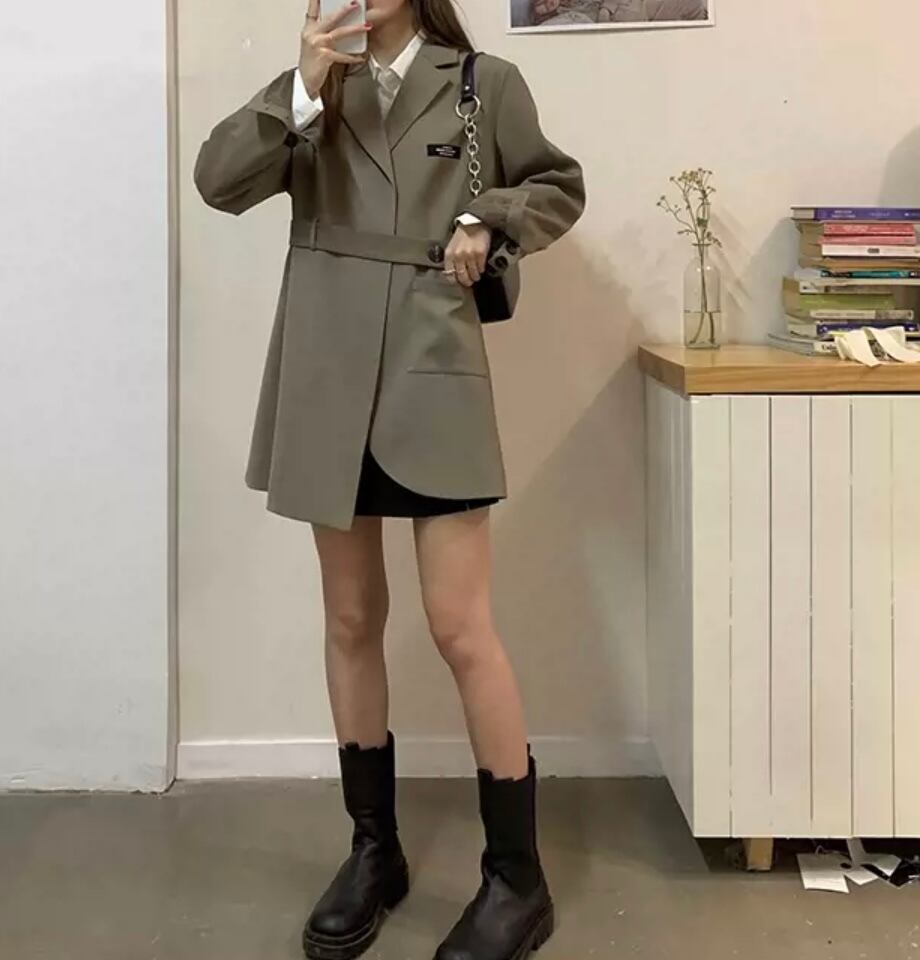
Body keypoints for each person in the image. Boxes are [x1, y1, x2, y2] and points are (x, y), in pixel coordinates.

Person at [194, 2, 585, 959]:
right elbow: (218, 182)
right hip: (326, 374)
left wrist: (486, 218)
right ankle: (375, 850)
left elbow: (556, 186)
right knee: (349, 619)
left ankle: (517, 877)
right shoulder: (316, 85)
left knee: (461, 628)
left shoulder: (479, 82)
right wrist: (302, 86)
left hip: (430, 368)